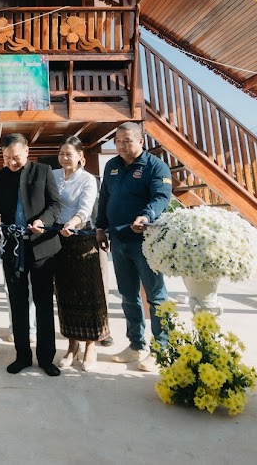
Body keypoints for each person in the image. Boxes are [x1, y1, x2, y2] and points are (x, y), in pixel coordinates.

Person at [95, 122, 173, 372]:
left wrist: (146, 216)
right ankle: (136, 345)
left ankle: (162, 349)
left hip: (145, 241)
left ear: (141, 141)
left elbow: (161, 197)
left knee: (156, 297)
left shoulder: (155, 166)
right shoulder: (112, 165)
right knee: (128, 296)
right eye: (117, 141)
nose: (121, 145)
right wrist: (100, 227)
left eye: (127, 140)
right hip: (118, 241)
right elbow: (105, 197)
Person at [0, 133, 62, 376]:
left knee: (43, 303)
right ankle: (22, 356)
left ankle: (46, 358)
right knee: (18, 304)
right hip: (13, 248)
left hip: (42, 247)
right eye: (6, 157)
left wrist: (43, 221)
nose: (11, 162)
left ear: (27, 151)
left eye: (16, 157)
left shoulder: (43, 171)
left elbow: (55, 205)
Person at [52, 136, 108, 372]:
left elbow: (84, 209)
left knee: (88, 296)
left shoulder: (87, 179)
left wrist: (72, 224)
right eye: (62, 153)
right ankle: (71, 345)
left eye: (69, 154)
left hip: (82, 238)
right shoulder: (53, 176)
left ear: (80, 157)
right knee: (65, 294)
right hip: (58, 240)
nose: (65, 158)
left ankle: (90, 346)